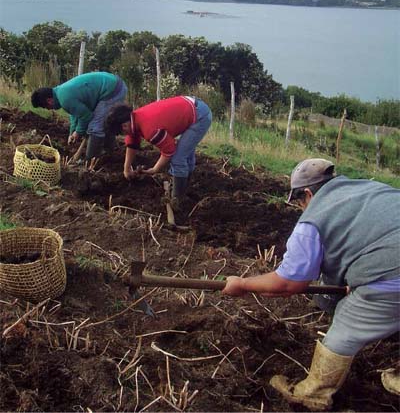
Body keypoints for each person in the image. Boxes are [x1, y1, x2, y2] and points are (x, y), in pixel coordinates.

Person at [222, 158, 400, 411]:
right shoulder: (370, 188)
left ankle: (313, 394)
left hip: (392, 272)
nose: (300, 207)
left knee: (347, 326)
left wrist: (242, 284)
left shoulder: (313, 221)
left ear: (307, 193)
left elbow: (287, 283)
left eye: (299, 201)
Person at [105, 95, 212, 207]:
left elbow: (169, 150)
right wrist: (126, 169)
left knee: (178, 158)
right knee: (185, 153)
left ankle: (177, 200)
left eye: (122, 133)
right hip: (191, 105)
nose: (124, 135)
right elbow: (132, 144)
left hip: (199, 116)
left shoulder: (150, 130)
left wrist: (155, 169)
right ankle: (184, 187)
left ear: (124, 126)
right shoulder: (135, 117)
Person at [31, 72, 128, 159]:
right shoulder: (61, 93)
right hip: (112, 84)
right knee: (103, 122)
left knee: (95, 127)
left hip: (112, 90)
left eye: (46, 107)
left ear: (49, 100)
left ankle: (90, 160)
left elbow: (86, 116)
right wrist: (72, 132)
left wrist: (78, 132)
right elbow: (75, 114)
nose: (48, 109)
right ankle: (110, 150)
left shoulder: (64, 99)